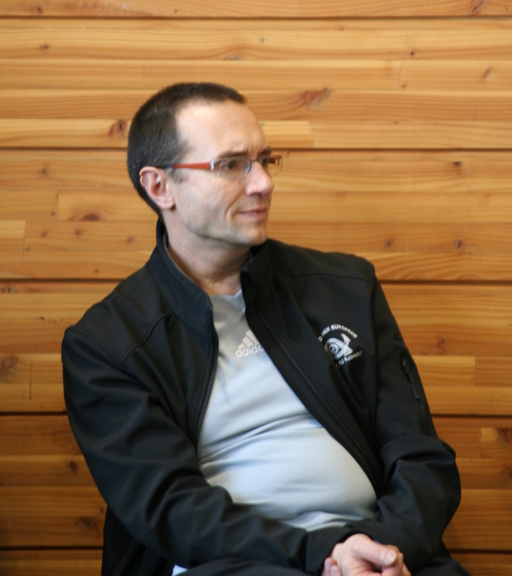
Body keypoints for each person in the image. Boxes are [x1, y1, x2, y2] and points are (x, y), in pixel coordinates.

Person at [62, 82, 470, 576]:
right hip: (229, 563)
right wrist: (327, 554)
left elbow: (421, 457)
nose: (262, 183)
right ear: (160, 187)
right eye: (231, 165)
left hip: (379, 554)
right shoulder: (108, 344)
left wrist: (381, 551)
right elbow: (174, 510)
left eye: (264, 160)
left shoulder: (345, 288)